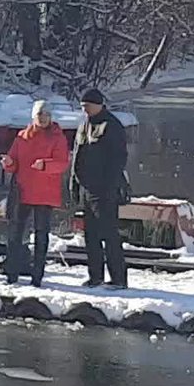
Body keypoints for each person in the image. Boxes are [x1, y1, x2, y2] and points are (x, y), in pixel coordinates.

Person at [1, 100, 70, 286]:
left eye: (46, 115)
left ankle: (37, 276)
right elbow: (15, 163)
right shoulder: (22, 136)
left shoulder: (57, 137)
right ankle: (12, 274)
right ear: (34, 117)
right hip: (22, 191)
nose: (43, 118)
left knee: (41, 234)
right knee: (15, 233)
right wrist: (8, 163)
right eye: (40, 115)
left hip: (45, 193)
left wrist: (45, 165)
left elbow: (62, 163)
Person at [72, 87, 128, 288]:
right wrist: (74, 184)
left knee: (109, 234)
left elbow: (119, 159)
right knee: (90, 235)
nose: (85, 110)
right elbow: (77, 156)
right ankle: (95, 276)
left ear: (99, 105)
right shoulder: (83, 125)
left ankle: (118, 278)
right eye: (82, 107)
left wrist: (109, 186)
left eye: (88, 106)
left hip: (104, 189)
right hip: (86, 188)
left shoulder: (111, 125)